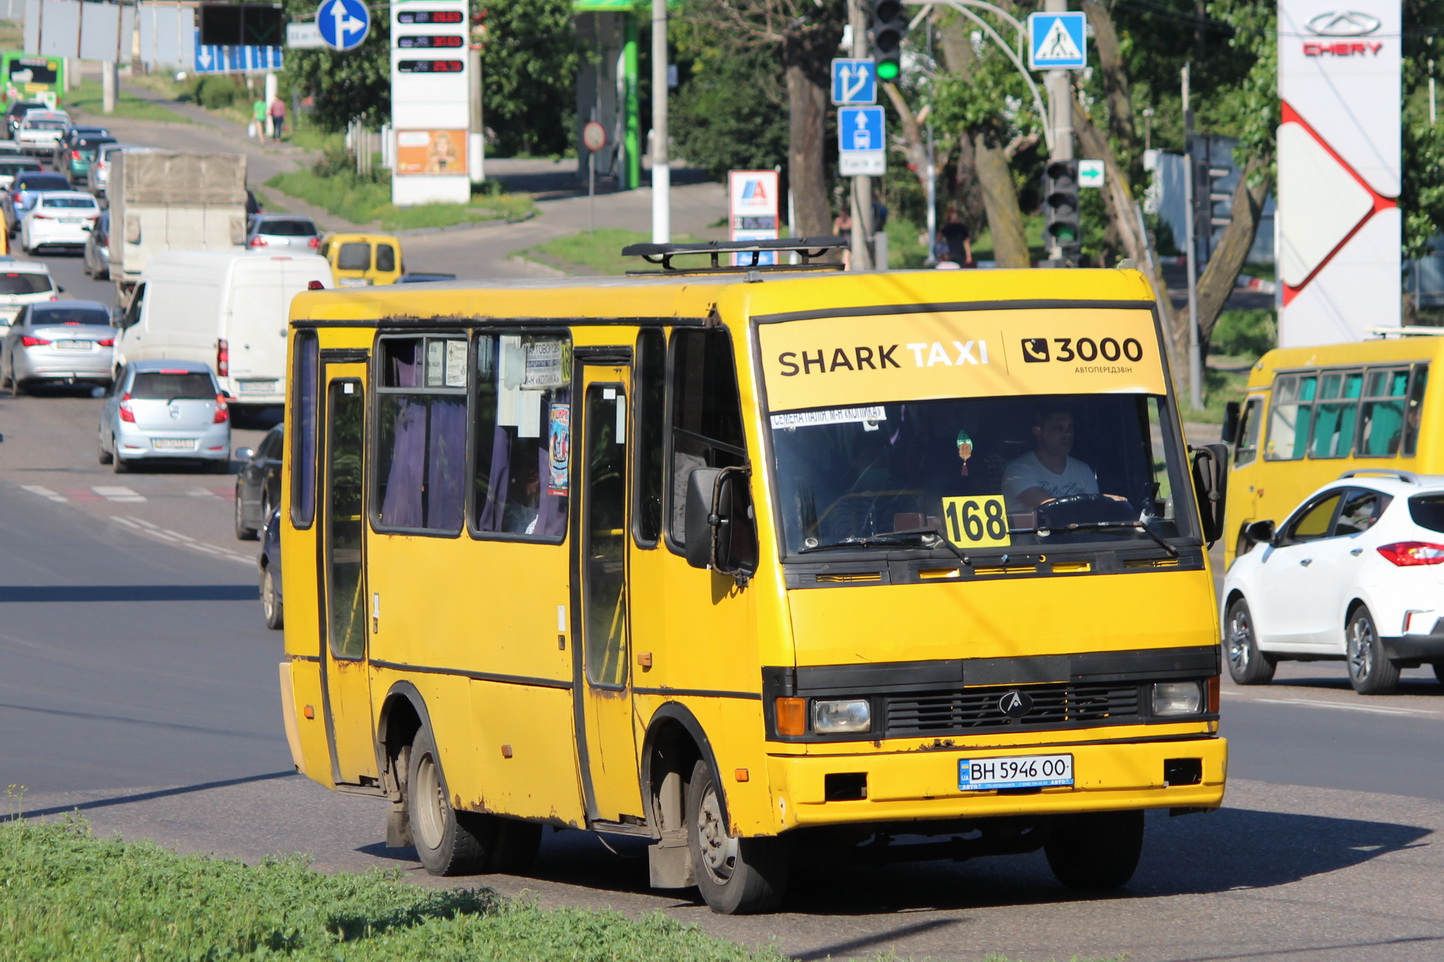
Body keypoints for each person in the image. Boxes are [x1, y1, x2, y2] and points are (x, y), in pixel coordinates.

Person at [1001, 408, 1102, 522]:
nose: (1067, 434)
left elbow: (1094, 514)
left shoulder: (1083, 470)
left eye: (1070, 428)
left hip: (1083, 539)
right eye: (1059, 429)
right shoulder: (1017, 471)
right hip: (1036, 540)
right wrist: (1108, 500)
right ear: (1038, 433)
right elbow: (1052, 509)